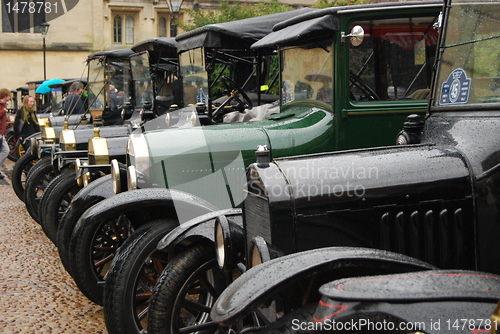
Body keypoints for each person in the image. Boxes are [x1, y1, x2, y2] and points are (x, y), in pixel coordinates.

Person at [0, 88, 12, 179]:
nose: (9, 98)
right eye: (8, 96)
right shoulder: (1, 106)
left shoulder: (3, 105)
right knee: (5, 150)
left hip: (1, 132)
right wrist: (4, 111)